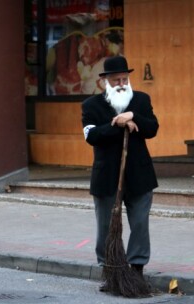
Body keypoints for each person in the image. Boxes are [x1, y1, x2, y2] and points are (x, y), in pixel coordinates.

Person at [81, 56, 159, 291]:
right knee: (105, 226)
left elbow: (152, 128)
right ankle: (110, 270)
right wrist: (118, 123)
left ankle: (136, 270)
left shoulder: (141, 101)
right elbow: (91, 136)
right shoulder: (91, 105)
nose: (122, 84)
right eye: (116, 80)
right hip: (106, 177)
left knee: (139, 224)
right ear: (104, 81)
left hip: (139, 175)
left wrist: (134, 116)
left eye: (125, 79)